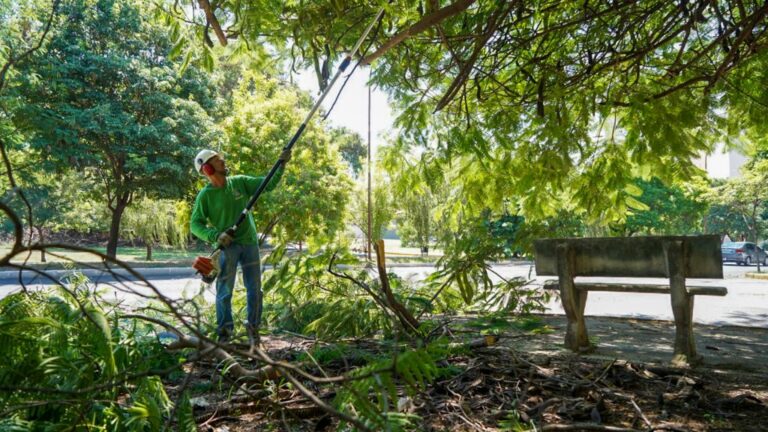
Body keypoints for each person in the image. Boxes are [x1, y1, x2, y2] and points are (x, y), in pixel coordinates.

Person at [190, 148, 291, 345]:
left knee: (255, 289)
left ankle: (253, 330)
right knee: (225, 291)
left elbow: (267, 184)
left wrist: (281, 164)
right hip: (228, 248)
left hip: (250, 244)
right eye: (219, 161)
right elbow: (195, 224)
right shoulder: (205, 196)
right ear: (207, 169)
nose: (223, 162)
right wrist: (216, 235)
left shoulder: (240, 182)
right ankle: (224, 335)